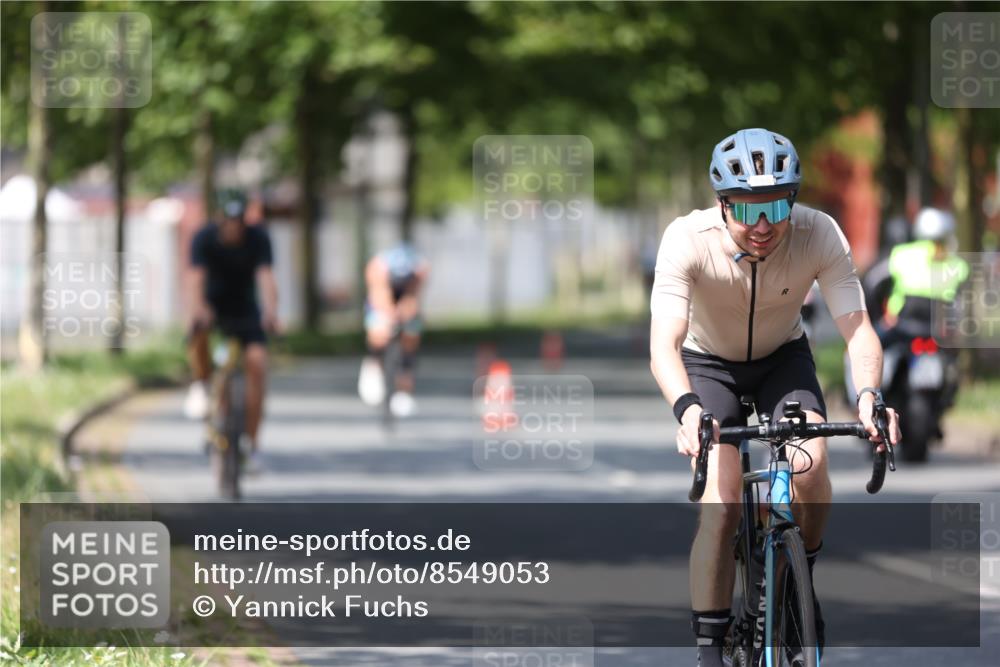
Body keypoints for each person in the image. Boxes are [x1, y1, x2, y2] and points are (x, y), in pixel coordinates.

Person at [648, 128, 901, 667]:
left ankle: (799, 578)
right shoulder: (686, 239)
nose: (763, 225)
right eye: (746, 209)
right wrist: (688, 409)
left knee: (811, 464)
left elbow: (858, 330)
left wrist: (869, 397)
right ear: (722, 204)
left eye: (778, 205)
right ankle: (710, 651)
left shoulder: (819, 233)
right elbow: (663, 344)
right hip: (708, 363)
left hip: (782, 357)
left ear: (794, 198)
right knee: (721, 506)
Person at [183, 189, 279, 474]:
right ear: (219, 219)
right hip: (213, 306)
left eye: (239, 220)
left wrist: (272, 312)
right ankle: (201, 383)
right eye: (228, 221)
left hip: (246, 310)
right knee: (198, 333)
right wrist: (199, 308)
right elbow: (194, 279)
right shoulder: (203, 238)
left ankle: (252, 444)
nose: (234, 227)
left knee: (257, 364)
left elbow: (266, 277)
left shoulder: (258, 238)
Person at [357, 242, 429, 417]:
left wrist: (406, 315)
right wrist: (388, 317)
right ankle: (374, 364)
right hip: (381, 296)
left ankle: (404, 386)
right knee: (379, 331)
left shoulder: (421, 269)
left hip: (405, 295)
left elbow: (412, 297)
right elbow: (379, 296)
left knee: (412, 332)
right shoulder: (377, 267)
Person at [882, 207, 970, 336]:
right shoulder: (957, 263)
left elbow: (876, 283)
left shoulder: (901, 254)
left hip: (902, 325)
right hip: (939, 330)